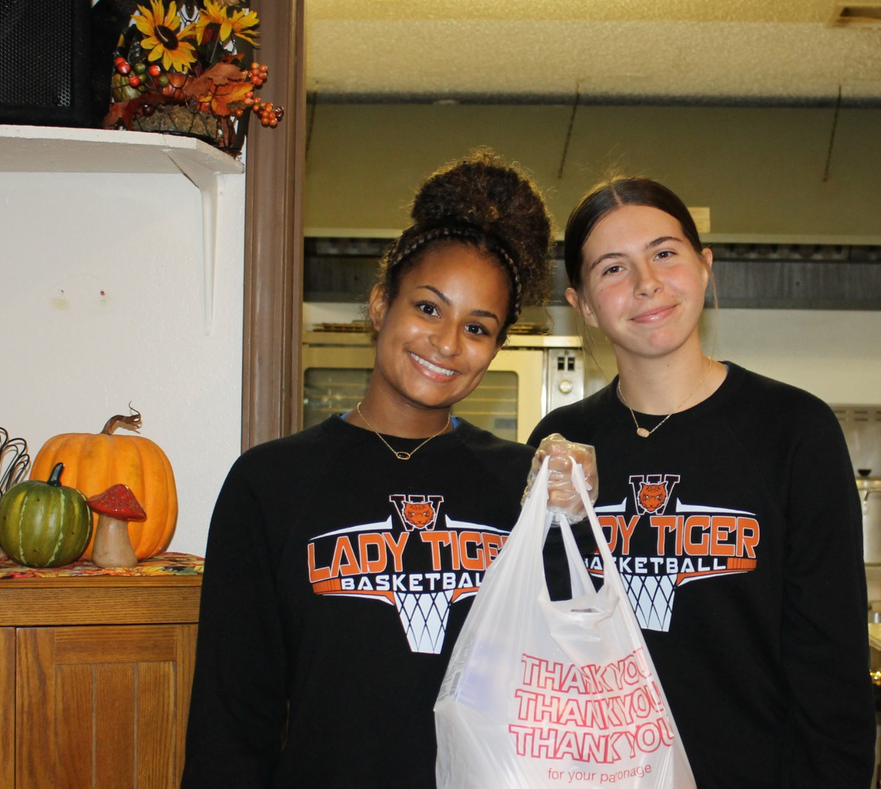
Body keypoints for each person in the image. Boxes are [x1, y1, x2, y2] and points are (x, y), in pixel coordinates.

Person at [181, 150, 594, 788]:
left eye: (478, 327)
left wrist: (574, 525)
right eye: (428, 308)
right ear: (380, 305)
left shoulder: (523, 486)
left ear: (496, 348)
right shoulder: (270, 484)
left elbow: (572, 677)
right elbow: (233, 715)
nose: (448, 343)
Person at [529, 176, 877, 787]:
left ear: (705, 266)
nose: (647, 284)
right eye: (613, 269)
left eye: (665, 253)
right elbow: (542, 643)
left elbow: (831, 667)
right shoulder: (561, 444)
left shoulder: (793, 430)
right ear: (581, 302)